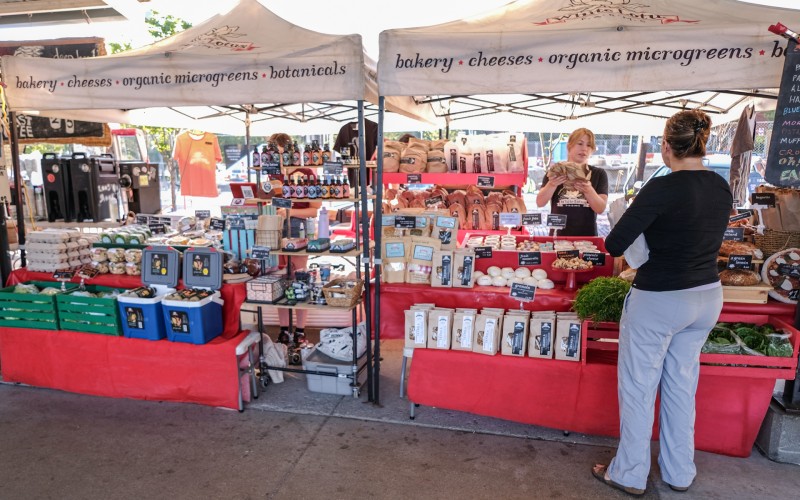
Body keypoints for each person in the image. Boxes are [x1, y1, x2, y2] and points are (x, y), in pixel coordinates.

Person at [592, 110, 732, 496]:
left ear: (666, 146)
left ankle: (630, 473)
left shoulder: (662, 187)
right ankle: (679, 472)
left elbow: (615, 244)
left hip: (660, 298)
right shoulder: (721, 187)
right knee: (681, 386)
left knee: (639, 388)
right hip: (706, 297)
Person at [535, 128, 609, 236]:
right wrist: (552, 184)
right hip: (558, 235)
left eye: (589, 145)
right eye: (580, 143)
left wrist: (589, 190)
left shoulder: (599, 174)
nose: (584, 149)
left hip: (587, 237)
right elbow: (540, 202)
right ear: (569, 146)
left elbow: (600, 208)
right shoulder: (556, 171)